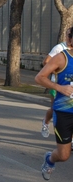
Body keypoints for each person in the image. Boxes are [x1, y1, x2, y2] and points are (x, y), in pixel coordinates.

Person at [35, 26, 73, 180]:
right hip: (64, 112)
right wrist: (59, 88)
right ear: (71, 39)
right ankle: (50, 160)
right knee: (64, 155)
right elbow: (40, 77)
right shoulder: (62, 57)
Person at [41, 28, 72, 139]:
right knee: (56, 107)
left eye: (70, 35)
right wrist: (58, 70)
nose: (69, 38)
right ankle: (46, 121)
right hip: (58, 83)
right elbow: (46, 61)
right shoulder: (59, 48)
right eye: (68, 35)